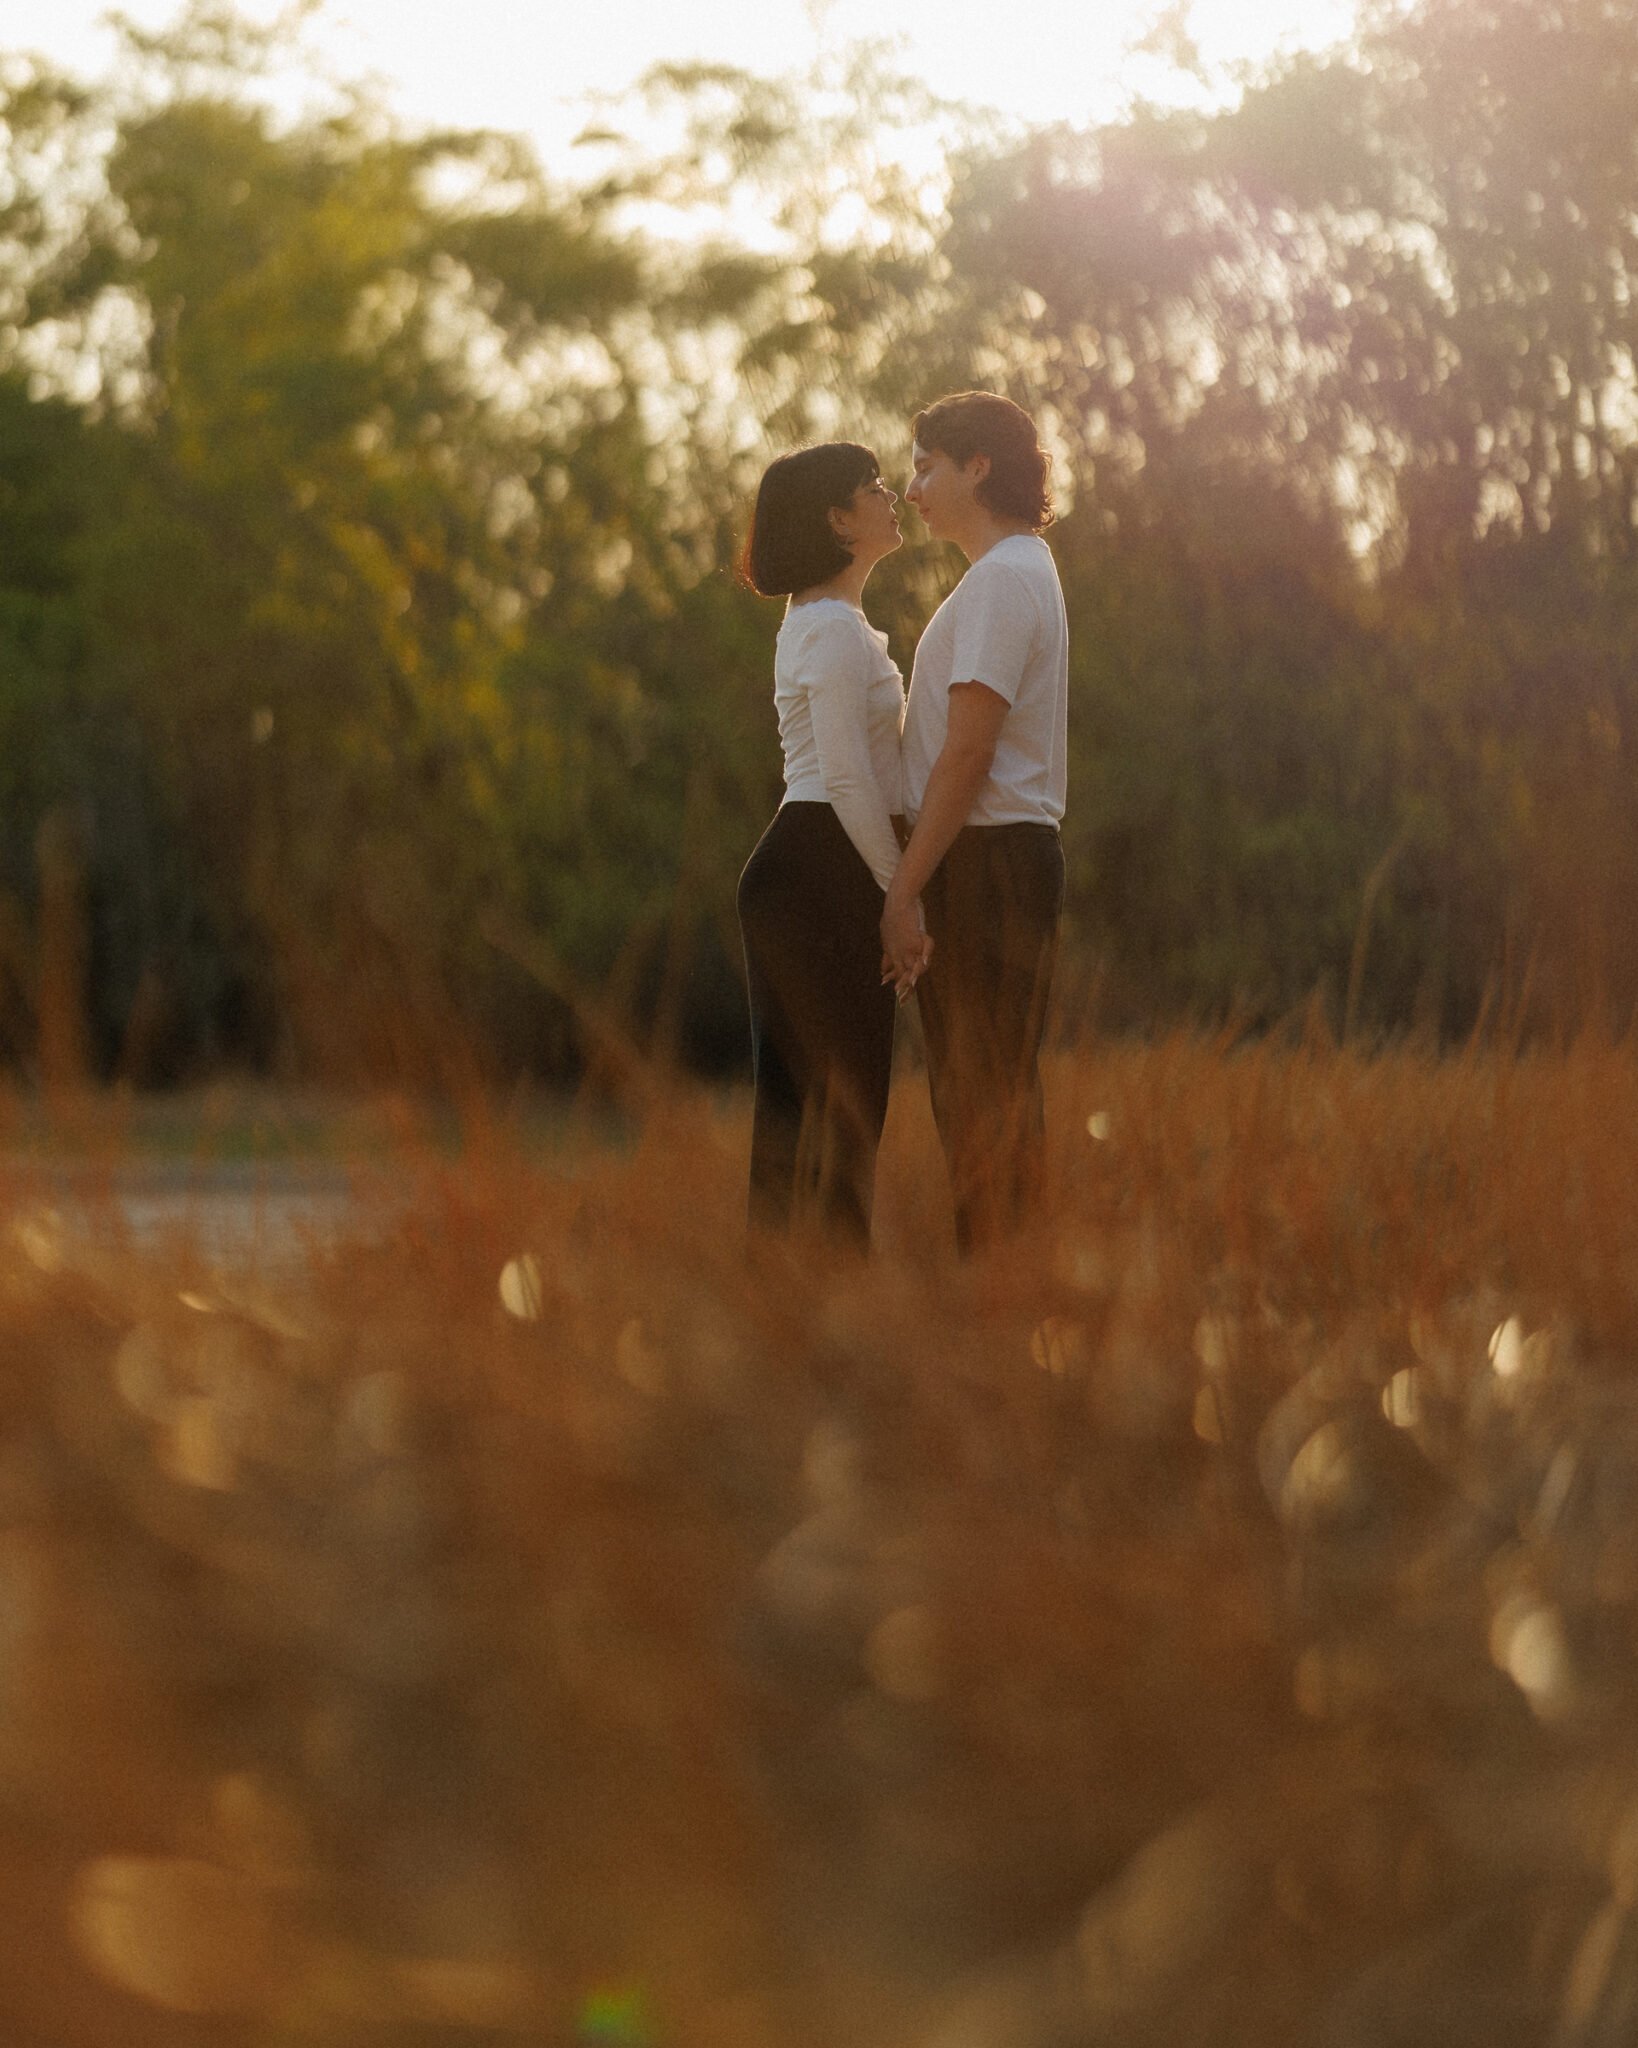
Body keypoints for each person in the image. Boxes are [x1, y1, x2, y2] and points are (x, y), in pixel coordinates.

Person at [880, 392, 1067, 1254]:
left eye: (925, 467)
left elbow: (968, 753)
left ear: (977, 466)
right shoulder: (1014, 573)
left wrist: (903, 888)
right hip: (995, 856)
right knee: (985, 1097)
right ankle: (1008, 1303)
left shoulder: (1002, 580)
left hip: (986, 860)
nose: (912, 490)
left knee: (981, 1098)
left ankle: (1003, 1308)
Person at [736, 443, 932, 1247]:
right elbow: (849, 782)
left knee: (825, 1104)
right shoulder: (828, 631)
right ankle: (811, 1310)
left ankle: (801, 1309)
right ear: (839, 520)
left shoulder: (833, 624)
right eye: (873, 488)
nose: (892, 499)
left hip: (818, 861)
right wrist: (901, 896)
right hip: (820, 861)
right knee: (834, 1103)